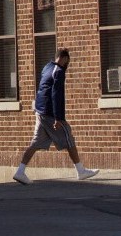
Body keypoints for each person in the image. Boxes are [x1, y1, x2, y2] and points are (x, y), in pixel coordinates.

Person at [13, 48, 98, 184]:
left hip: (40, 111)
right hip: (49, 113)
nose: (66, 65)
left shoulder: (47, 67)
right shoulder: (58, 71)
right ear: (64, 58)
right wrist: (58, 118)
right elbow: (56, 95)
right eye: (67, 62)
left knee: (35, 142)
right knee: (68, 137)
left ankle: (20, 171)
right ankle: (81, 171)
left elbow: (43, 89)